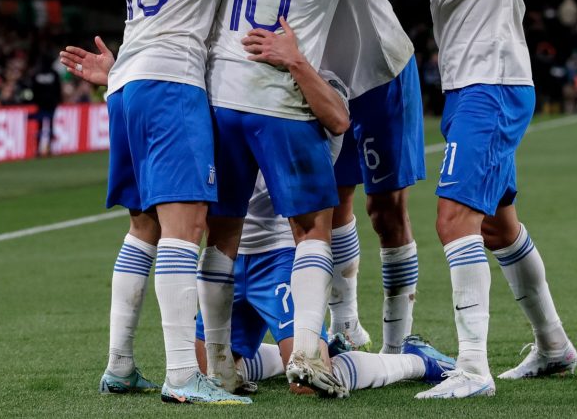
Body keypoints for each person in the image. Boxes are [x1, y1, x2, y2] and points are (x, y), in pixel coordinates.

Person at [278, 0, 577, 398]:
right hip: (471, 87)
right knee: (499, 226)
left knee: (452, 220)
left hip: (492, 84)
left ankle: (472, 369)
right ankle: (553, 345)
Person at [89, 0, 374, 406]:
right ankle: (181, 375)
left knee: (143, 227)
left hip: (126, 82)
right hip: (173, 83)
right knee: (186, 227)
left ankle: (120, 363)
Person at [62, 27, 458, 399]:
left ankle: (414, 361)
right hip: (228, 262)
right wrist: (123, 75)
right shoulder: (214, 80)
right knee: (212, 369)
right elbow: (170, 105)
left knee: (310, 381)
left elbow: (340, 119)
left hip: (279, 258)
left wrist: (295, 61)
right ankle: (292, 354)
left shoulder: (316, 77)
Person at [30, 55, 61, 156]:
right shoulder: (54, 74)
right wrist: (58, 101)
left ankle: (38, 149)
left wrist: (35, 101)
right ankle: (49, 148)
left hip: (40, 104)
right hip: (51, 104)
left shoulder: (36, 74)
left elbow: (33, 89)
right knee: (51, 125)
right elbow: (58, 89)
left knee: (40, 126)